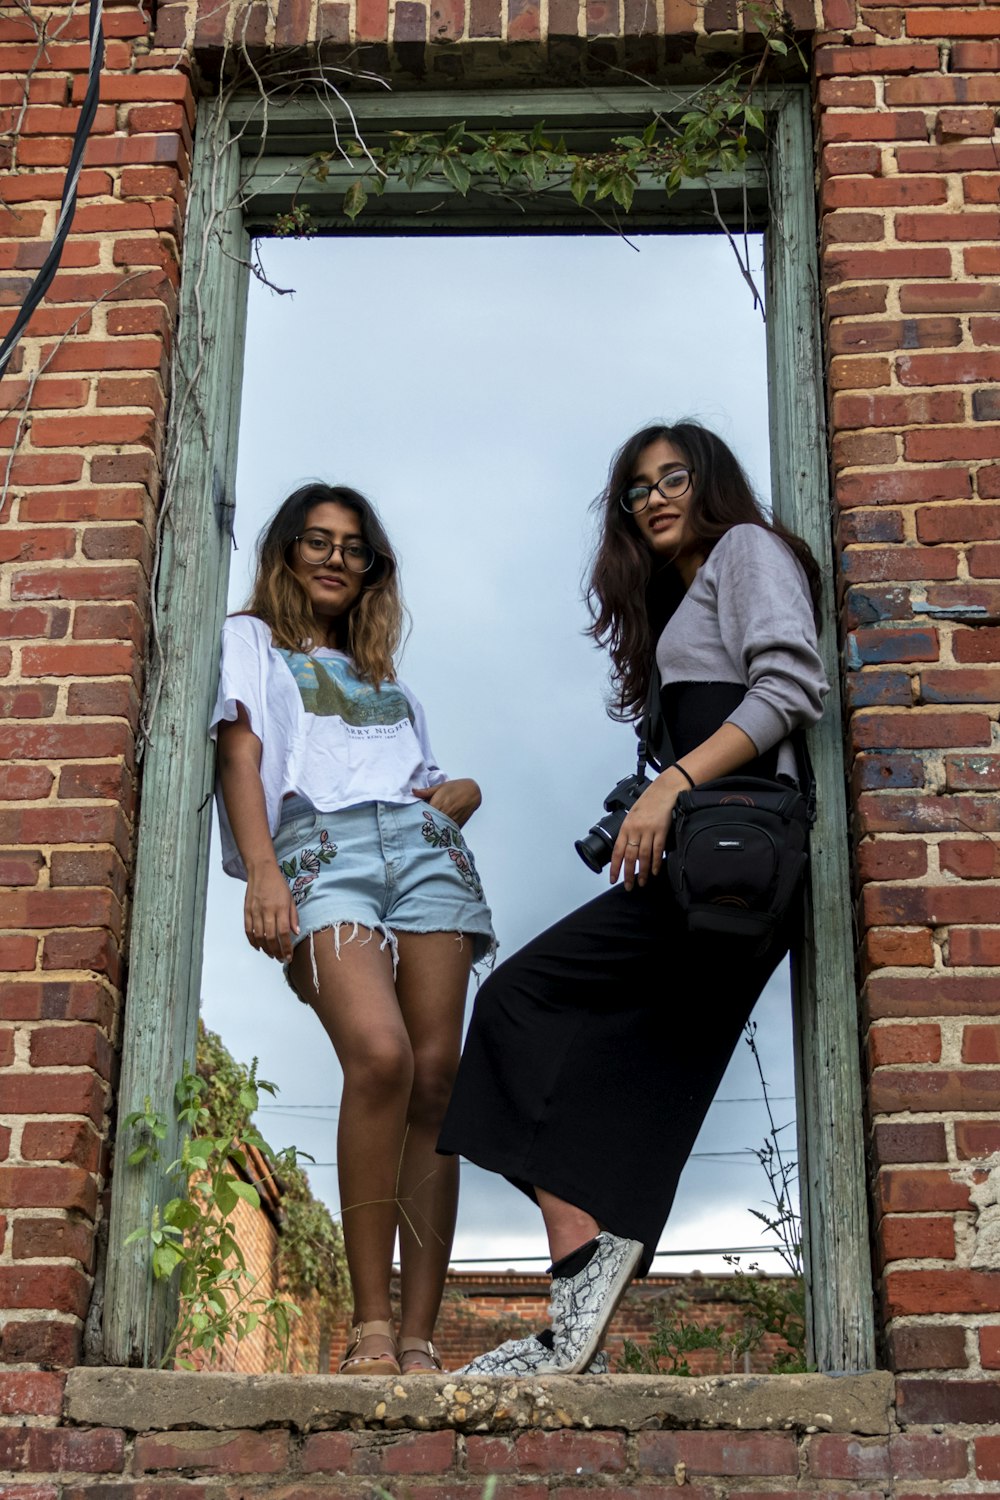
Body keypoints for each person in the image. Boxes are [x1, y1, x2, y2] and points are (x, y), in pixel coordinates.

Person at [438, 421, 827, 1377]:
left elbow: (790, 685)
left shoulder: (747, 549)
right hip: (705, 869)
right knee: (635, 1077)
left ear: (710, 483)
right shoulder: (679, 600)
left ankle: (582, 1277)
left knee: (516, 1000)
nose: (653, 497)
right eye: (635, 489)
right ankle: (581, 1313)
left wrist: (669, 786)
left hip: (741, 856)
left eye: (673, 477)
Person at [212, 481, 494, 1376]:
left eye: (354, 547)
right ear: (287, 550)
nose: (336, 558)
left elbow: (432, 783)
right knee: (381, 1056)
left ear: (373, 568)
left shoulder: (390, 684)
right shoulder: (251, 640)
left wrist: (460, 797)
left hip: (423, 853)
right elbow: (243, 752)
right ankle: (370, 1323)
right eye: (318, 540)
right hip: (318, 851)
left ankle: (419, 1339)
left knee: (438, 1080)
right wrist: (262, 870)